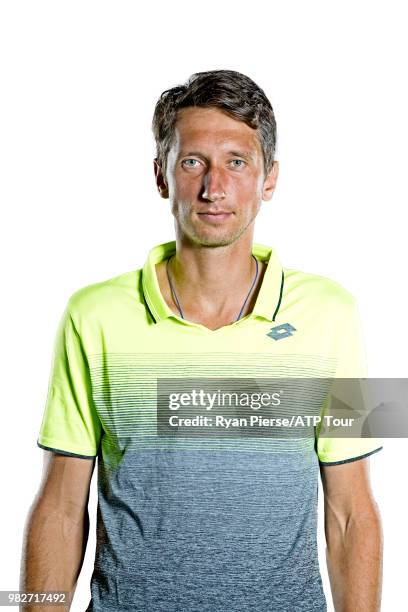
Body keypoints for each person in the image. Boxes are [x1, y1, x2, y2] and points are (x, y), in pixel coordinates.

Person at [20, 70, 383, 612]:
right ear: (161, 176)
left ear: (269, 179)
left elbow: (352, 510)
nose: (214, 188)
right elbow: (61, 504)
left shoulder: (335, 313)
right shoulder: (90, 315)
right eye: (193, 162)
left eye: (237, 162)